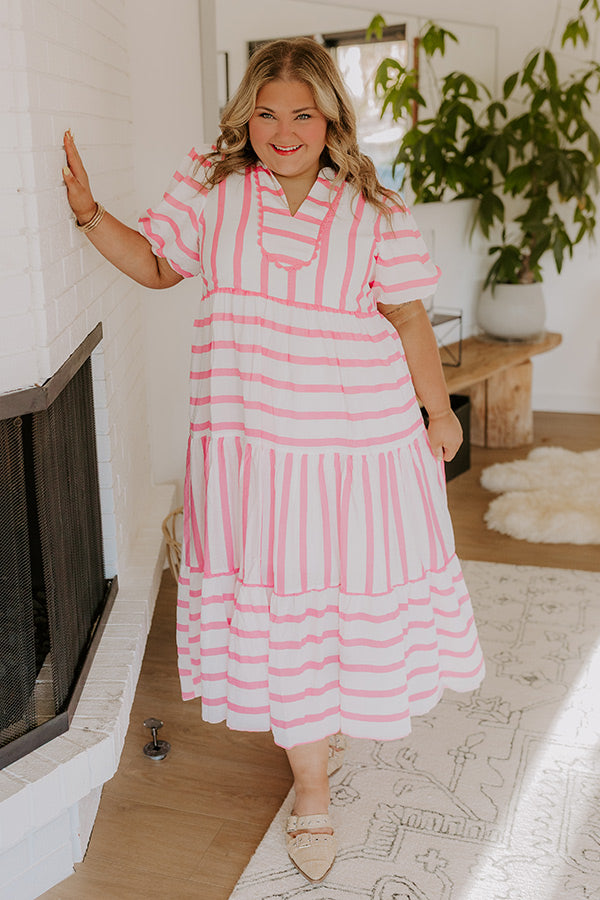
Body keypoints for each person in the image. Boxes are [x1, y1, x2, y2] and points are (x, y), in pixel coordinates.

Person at [62, 37, 484, 884]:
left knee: (329, 604)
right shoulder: (214, 194)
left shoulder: (373, 209)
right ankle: (312, 785)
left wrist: (438, 412)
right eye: (266, 113)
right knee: (288, 612)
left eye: (302, 112)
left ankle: (316, 756)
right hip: (255, 455)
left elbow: (406, 321)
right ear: (244, 117)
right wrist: (88, 214)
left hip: (352, 447)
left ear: (330, 117)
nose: (283, 129)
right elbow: (154, 265)